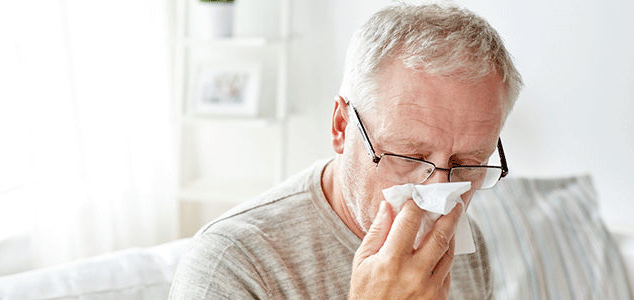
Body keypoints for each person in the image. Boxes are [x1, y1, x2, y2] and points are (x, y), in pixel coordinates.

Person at [169, 3, 522, 300]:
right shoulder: (232, 265)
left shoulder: (462, 242)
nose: (439, 194)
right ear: (341, 127)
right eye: (409, 156)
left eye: (467, 164)